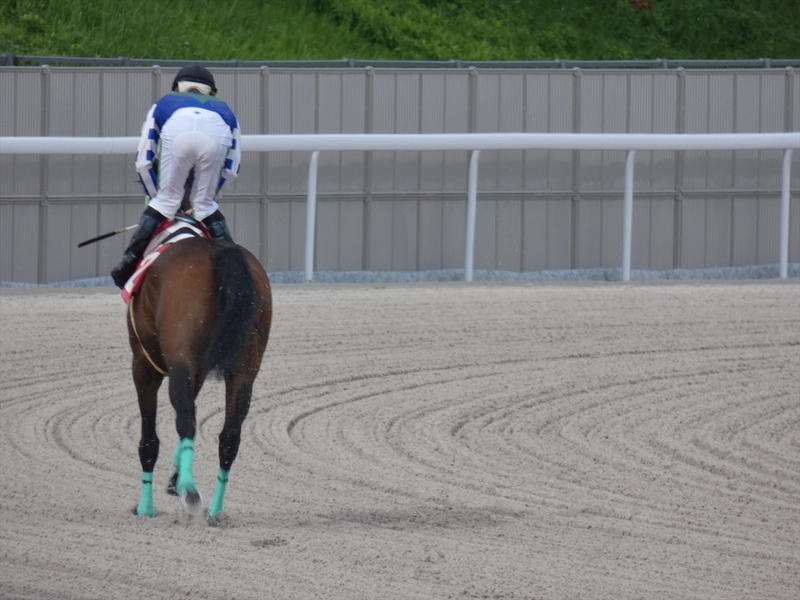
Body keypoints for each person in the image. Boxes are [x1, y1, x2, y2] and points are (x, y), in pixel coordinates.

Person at [110, 65, 242, 288]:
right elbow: (232, 169)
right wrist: (208, 200)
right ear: (211, 92)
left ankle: (127, 264)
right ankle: (237, 268)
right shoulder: (227, 110)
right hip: (216, 136)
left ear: (176, 88)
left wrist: (159, 200)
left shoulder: (163, 103)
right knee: (205, 205)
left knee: (165, 201)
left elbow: (143, 162)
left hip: (176, 132)